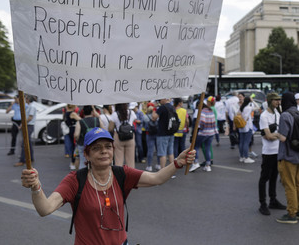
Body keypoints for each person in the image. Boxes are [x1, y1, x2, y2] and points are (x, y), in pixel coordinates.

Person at [20, 127, 196, 245]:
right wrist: (36, 187)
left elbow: (156, 178)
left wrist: (178, 163)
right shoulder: (75, 180)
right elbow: (45, 209)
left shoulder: (122, 174)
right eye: (96, 148)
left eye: (107, 146)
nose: (104, 151)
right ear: (87, 155)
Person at [276, 92, 299, 224]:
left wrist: (275, 133)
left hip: (288, 155)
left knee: (289, 185)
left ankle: (291, 214)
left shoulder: (285, 115)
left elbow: (283, 137)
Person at [258, 92, 285, 215]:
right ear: (270, 101)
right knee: (264, 178)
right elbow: (268, 136)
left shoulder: (278, 114)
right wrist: (277, 135)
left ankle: (273, 200)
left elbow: (278, 132)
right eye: (276, 100)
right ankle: (262, 203)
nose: (278, 102)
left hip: (277, 150)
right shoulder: (264, 116)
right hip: (268, 152)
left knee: (274, 177)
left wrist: (275, 135)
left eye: (279, 100)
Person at [189, 100, 217, 172]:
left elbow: (203, 122)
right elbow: (214, 122)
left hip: (203, 132)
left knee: (196, 147)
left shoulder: (203, 111)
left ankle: (195, 163)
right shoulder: (210, 110)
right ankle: (208, 165)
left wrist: (199, 127)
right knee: (207, 148)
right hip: (211, 133)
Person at [74, 105, 104, 170]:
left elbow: (76, 135)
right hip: (95, 143)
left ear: (83, 112)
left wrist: (77, 140)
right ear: (92, 112)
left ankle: (83, 176)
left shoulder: (80, 122)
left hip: (83, 144)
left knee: (82, 160)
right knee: (96, 160)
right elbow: (103, 130)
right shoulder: (97, 120)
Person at [109, 103, 137, 168]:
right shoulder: (131, 112)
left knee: (118, 160)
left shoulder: (115, 114)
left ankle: (120, 176)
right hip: (130, 137)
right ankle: (131, 176)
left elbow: (110, 128)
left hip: (118, 137)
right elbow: (134, 121)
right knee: (130, 160)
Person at [14, 95, 35, 167]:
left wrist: (23, 124)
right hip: (28, 125)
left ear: (28, 99)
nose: (25, 100)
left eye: (26, 98)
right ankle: (31, 158)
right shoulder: (30, 106)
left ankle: (22, 160)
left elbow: (30, 117)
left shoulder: (32, 106)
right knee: (28, 143)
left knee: (25, 143)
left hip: (29, 126)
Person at [236, 95, 255, 163]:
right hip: (248, 126)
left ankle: (241, 157)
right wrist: (252, 101)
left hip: (241, 126)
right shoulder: (249, 108)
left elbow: (237, 114)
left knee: (241, 142)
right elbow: (257, 107)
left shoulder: (241, 108)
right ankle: (246, 157)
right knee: (246, 142)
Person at [64, 105, 81, 170]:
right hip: (73, 130)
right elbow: (80, 119)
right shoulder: (72, 113)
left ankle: (73, 162)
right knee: (75, 147)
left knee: (73, 146)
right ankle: (73, 162)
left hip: (70, 130)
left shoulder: (66, 113)